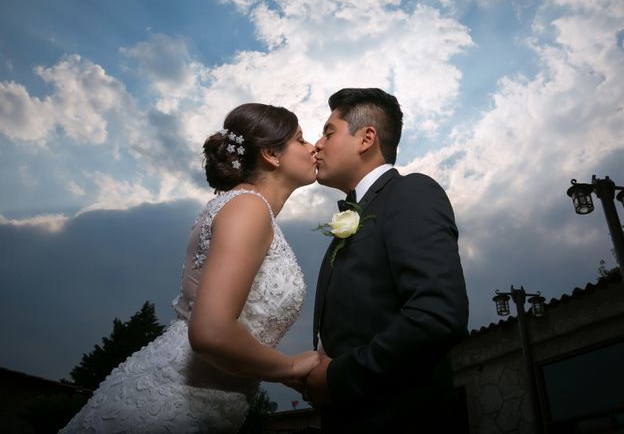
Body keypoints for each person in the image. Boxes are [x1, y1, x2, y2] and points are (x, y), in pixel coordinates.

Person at [61, 103, 321, 433]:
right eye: (300, 139)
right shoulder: (248, 208)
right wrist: (289, 368)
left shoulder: (241, 206)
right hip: (169, 408)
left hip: (202, 403)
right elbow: (211, 332)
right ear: (271, 153)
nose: (313, 146)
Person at [307, 88, 469, 433]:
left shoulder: (410, 192)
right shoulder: (358, 214)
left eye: (328, 132)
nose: (317, 144)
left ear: (366, 138)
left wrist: (337, 378)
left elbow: (437, 315)